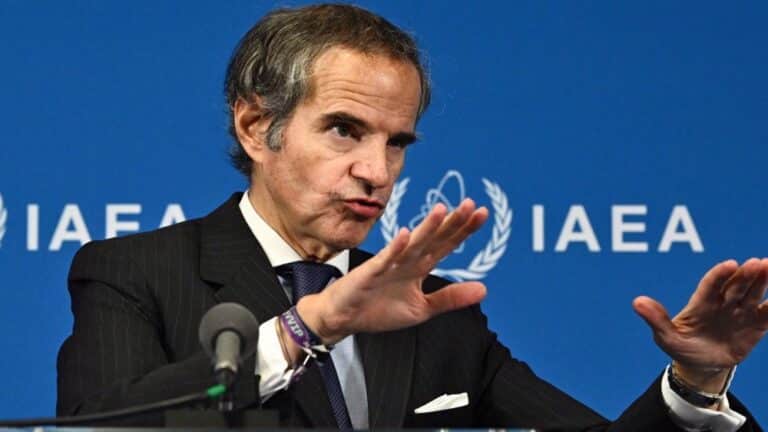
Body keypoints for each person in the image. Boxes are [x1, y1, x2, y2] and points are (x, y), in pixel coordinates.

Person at [57, 4, 767, 430]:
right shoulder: (133, 274)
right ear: (254, 126)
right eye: (344, 129)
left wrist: (694, 387)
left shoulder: (435, 313)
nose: (377, 170)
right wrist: (314, 325)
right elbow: (100, 428)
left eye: (396, 142)